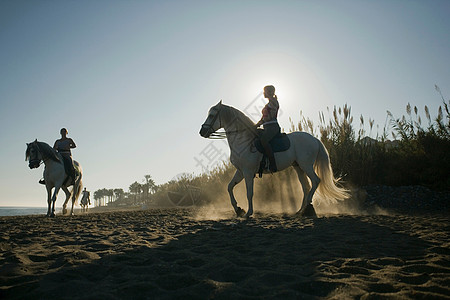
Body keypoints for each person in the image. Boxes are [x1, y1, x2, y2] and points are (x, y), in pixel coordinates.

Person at [255, 85, 281, 172]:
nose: (263, 93)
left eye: (264, 91)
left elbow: (271, 116)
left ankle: (272, 164)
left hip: (272, 127)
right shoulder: (268, 104)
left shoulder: (274, 102)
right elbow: (263, 118)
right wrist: (256, 125)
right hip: (267, 127)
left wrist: (262, 121)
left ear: (269, 92)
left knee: (264, 141)